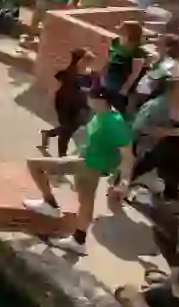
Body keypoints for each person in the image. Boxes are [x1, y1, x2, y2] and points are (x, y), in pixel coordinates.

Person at [24, 87, 135, 255]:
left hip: (92, 165)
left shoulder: (114, 122)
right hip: (85, 160)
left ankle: (72, 232)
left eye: (89, 97)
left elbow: (127, 154)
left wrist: (124, 180)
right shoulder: (100, 114)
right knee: (84, 201)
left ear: (100, 100)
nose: (86, 99)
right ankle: (70, 229)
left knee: (36, 165)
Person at [39, 48, 97, 156]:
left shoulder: (92, 76)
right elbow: (54, 88)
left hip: (80, 107)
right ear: (78, 60)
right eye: (86, 60)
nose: (88, 63)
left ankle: (48, 133)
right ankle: (62, 156)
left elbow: (92, 91)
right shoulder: (66, 73)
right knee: (66, 131)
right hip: (64, 105)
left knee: (69, 129)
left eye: (90, 61)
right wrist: (49, 102)